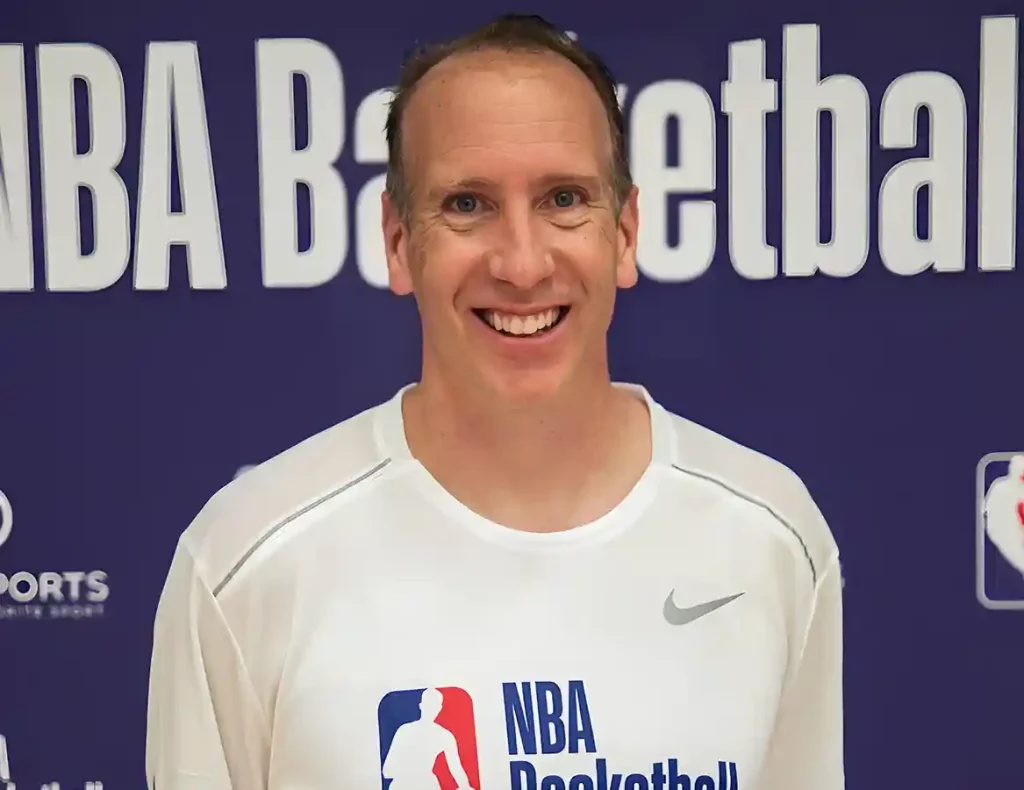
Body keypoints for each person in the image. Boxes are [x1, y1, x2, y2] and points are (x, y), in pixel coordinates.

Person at [145, 13, 845, 790]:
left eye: (564, 198)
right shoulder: (246, 564)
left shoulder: (770, 537)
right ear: (398, 242)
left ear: (624, 233)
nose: (521, 264)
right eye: (468, 205)